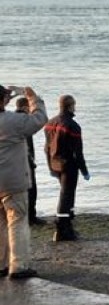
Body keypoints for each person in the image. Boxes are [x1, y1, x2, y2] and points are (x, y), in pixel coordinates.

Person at [0, 85, 47, 279]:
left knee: (0, 224)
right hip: (12, 181)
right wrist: (31, 95)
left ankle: (1, 264)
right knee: (17, 221)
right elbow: (39, 119)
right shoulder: (13, 121)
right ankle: (18, 266)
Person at [45, 94, 90, 242]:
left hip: (54, 163)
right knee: (67, 195)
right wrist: (84, 170)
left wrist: (49, 166)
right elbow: (78, 152)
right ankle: (62, 228)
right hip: (68, 164)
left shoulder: (50, 123)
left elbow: (46, 147)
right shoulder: (73, 126)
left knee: (66, 194)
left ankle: (67, 226)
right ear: (71, 106)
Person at [15, 96, 47, 226]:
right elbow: (25, 145)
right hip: (25, 162)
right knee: (31, 190)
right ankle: (31, 217)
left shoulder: (12, 119)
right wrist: (31, 161)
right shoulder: (24, 121)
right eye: (29, 108)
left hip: (16, 163)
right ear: (24, 107)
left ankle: (26, 216)